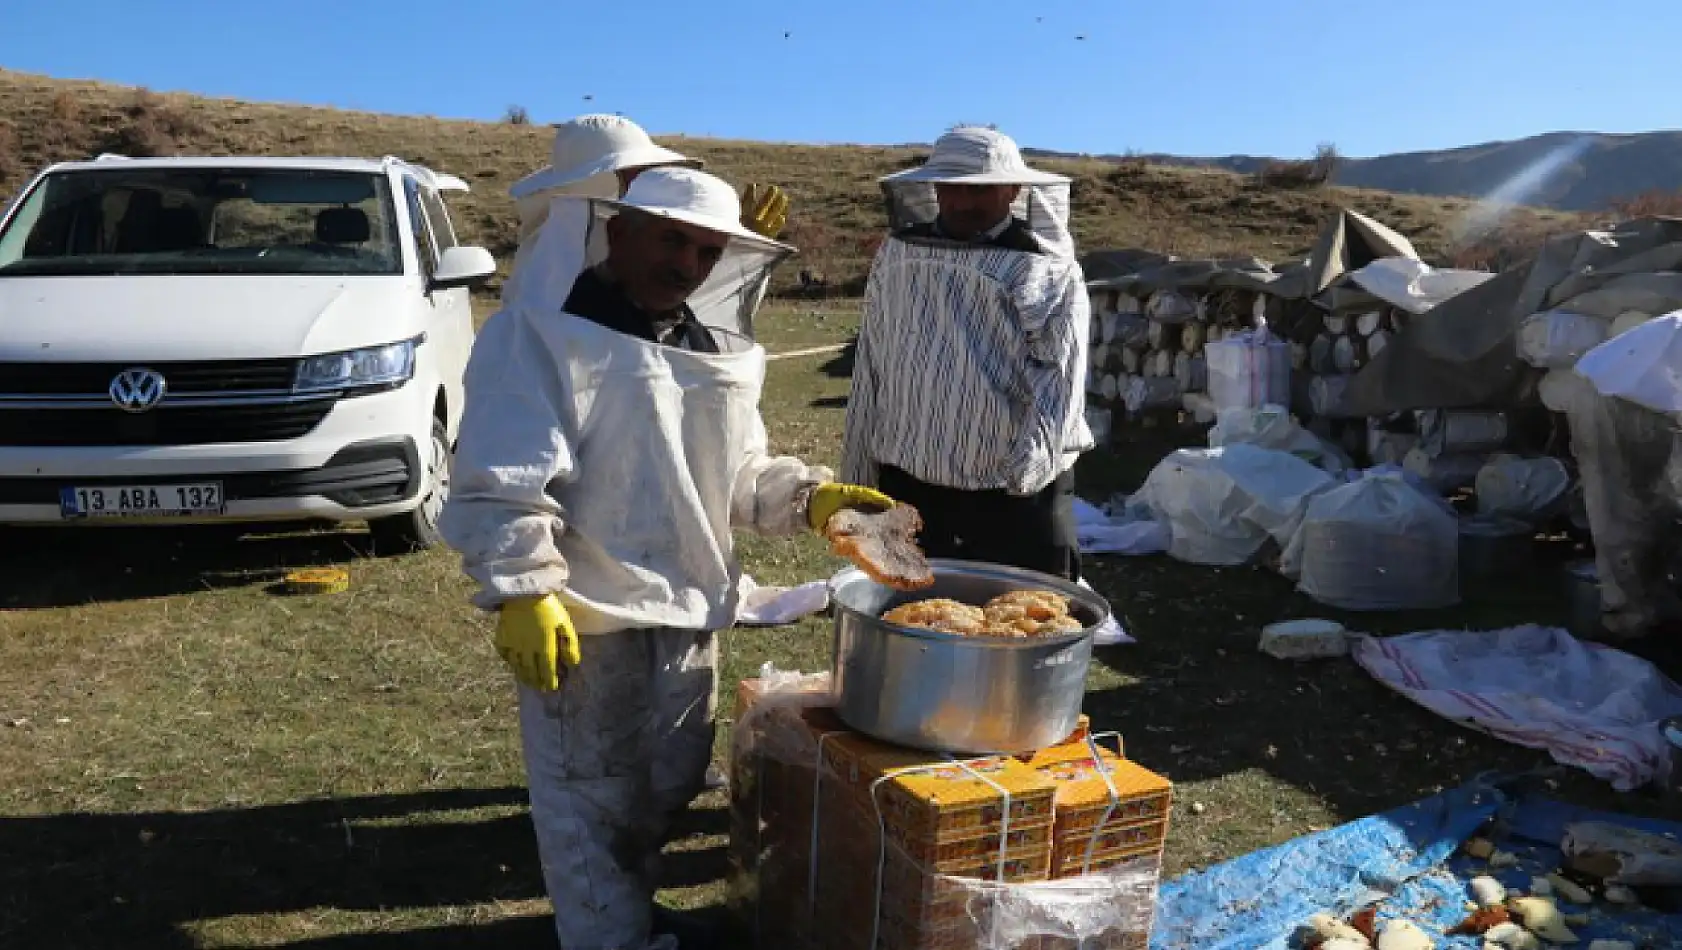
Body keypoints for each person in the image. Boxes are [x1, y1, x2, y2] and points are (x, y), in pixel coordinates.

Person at [438, 166, 891, 950]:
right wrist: (523, 589)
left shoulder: (709, 349)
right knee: (590, 802)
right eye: (672, 239)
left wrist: (810, 497)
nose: (687, 265)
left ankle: (634, 918)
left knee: (666, 788)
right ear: (617, 230)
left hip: (690, 610)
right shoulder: (543, 334)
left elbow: (739, 473)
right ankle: (607, 938)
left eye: (709, 250)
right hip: (588, 617)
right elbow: (502, 474)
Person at [839, 125, 1093, 582]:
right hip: (910, 479)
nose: (963, 203)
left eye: (982, 190)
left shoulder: (1043, 266)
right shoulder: (897, 254)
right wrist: (859, 467)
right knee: (912, 615)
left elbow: (1060, 374)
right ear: (934, 188)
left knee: (1017, 623)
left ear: (1014, 189)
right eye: (951, 189)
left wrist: (1027, 474)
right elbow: (873, 356)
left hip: (1006, 491)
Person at [506, 113, 791, 309]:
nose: (646, 182)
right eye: (633, 173)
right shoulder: (558, 252)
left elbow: (694, 314)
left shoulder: (583, 239)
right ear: (594, 180)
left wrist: (731, 248)